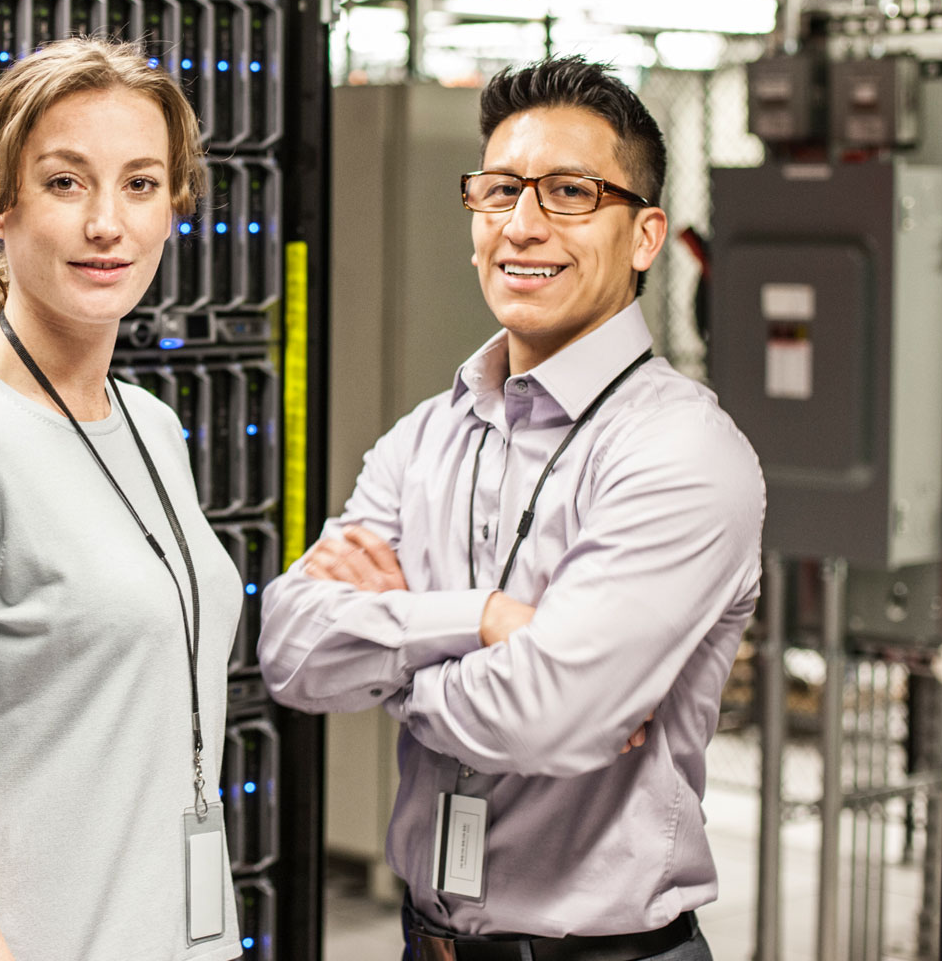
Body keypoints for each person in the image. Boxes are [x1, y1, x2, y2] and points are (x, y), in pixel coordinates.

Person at [259, 56, 764, 959]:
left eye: (570, 192)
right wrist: (486, 621)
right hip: (430, 944)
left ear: (645, 237)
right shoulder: (426, 436)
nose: (522, 226)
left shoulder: (681, 453)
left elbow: (550, 714)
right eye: (498, 192)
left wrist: (388, 660)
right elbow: (290, 650)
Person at [0, 36, 244, 961]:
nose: (107, 223)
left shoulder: (151, 426)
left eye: (141, 184)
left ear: (174, 207)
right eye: (67, 183)